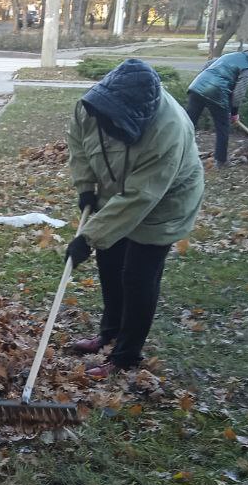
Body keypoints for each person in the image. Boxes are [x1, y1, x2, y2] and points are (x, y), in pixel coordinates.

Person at [65, 59, 204, 378]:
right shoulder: (91, 105)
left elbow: (141, 196)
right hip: (119, 193)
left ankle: (126, 356)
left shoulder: (168, 130)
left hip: (166, 201)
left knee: (138, 276)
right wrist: (86, 187)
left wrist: (87, 238)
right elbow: (78, 142)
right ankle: (109, 333)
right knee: (110, 262)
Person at [185, 46, 248, 167]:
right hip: (217, 93)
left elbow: (208, 64)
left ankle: (176, 152)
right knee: (222, 127)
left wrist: (204, 81)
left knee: (188, 124)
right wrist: (234, 112)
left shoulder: (229, 55)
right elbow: (239, 93)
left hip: (197, 87)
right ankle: (221, 160)